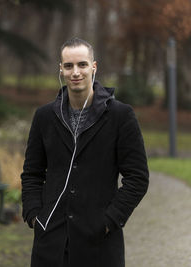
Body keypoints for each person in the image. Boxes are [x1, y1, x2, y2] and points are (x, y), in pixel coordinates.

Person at [21, 37, 149, 267]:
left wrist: (110, 219)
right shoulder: (45, 117)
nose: (75, 72)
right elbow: (32, 173)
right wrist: (33, 215)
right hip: (51, 240)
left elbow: (138, 178)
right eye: (68, 66)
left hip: (99, 242)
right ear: (60, 69)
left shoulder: (120, 116)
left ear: (94, 67)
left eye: (82, 64)